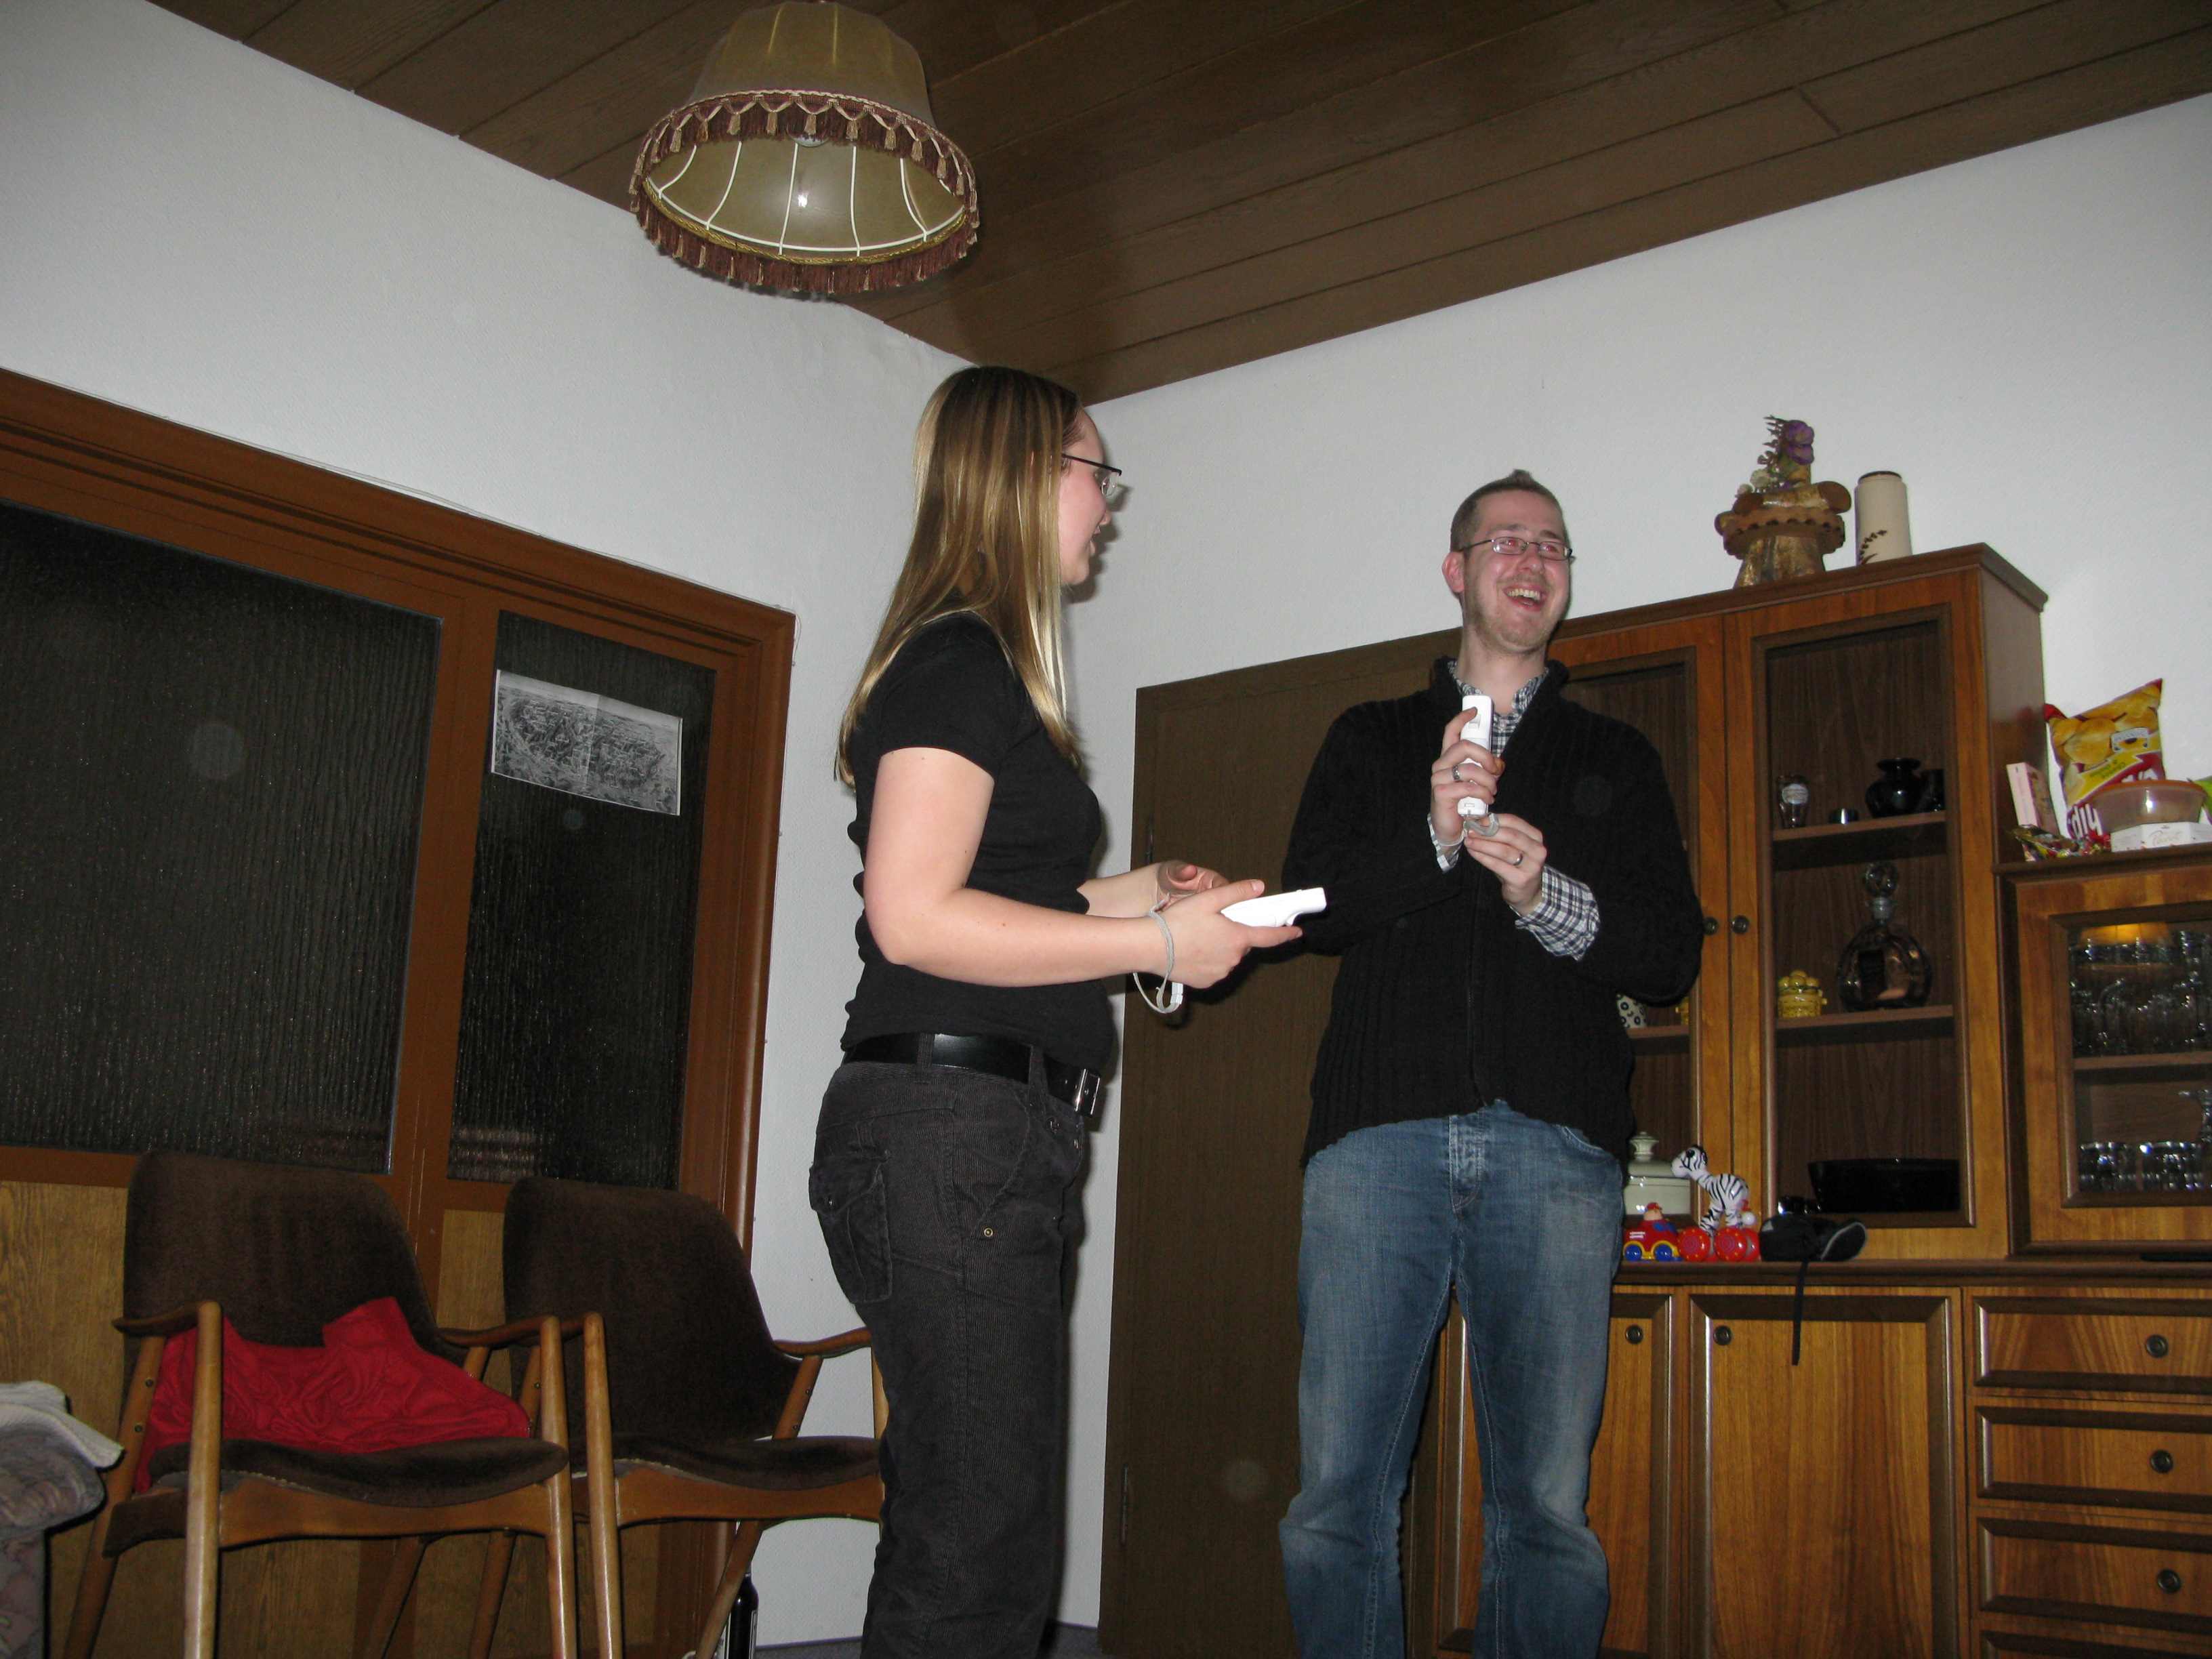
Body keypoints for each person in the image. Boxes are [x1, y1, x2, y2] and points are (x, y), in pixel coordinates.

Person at [811, 365, 1300, 1659]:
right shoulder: (959, 659)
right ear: (1028, 478)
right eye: (1096, 473)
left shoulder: (979, 668)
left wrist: (1147, 894)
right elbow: (914, 917)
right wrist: (1155, 943)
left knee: (972, 1529)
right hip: (956, 1130)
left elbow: (1001, 900)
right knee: (982, 1548)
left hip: (973, 1134)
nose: (1108, 503)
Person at [1276, 470, 1704, 1658]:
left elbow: (1670, 955)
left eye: (1553, 544)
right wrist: (1431, 839)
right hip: (1375, 1144)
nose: (1532, 559)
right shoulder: (1368, 739)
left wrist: (1542, 895)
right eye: (1506, 539)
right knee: (1337, 1499)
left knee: (1547, 1512)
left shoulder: (1617, 754)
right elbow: (1309, 910)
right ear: (1457, 571)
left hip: (1557, 1151)